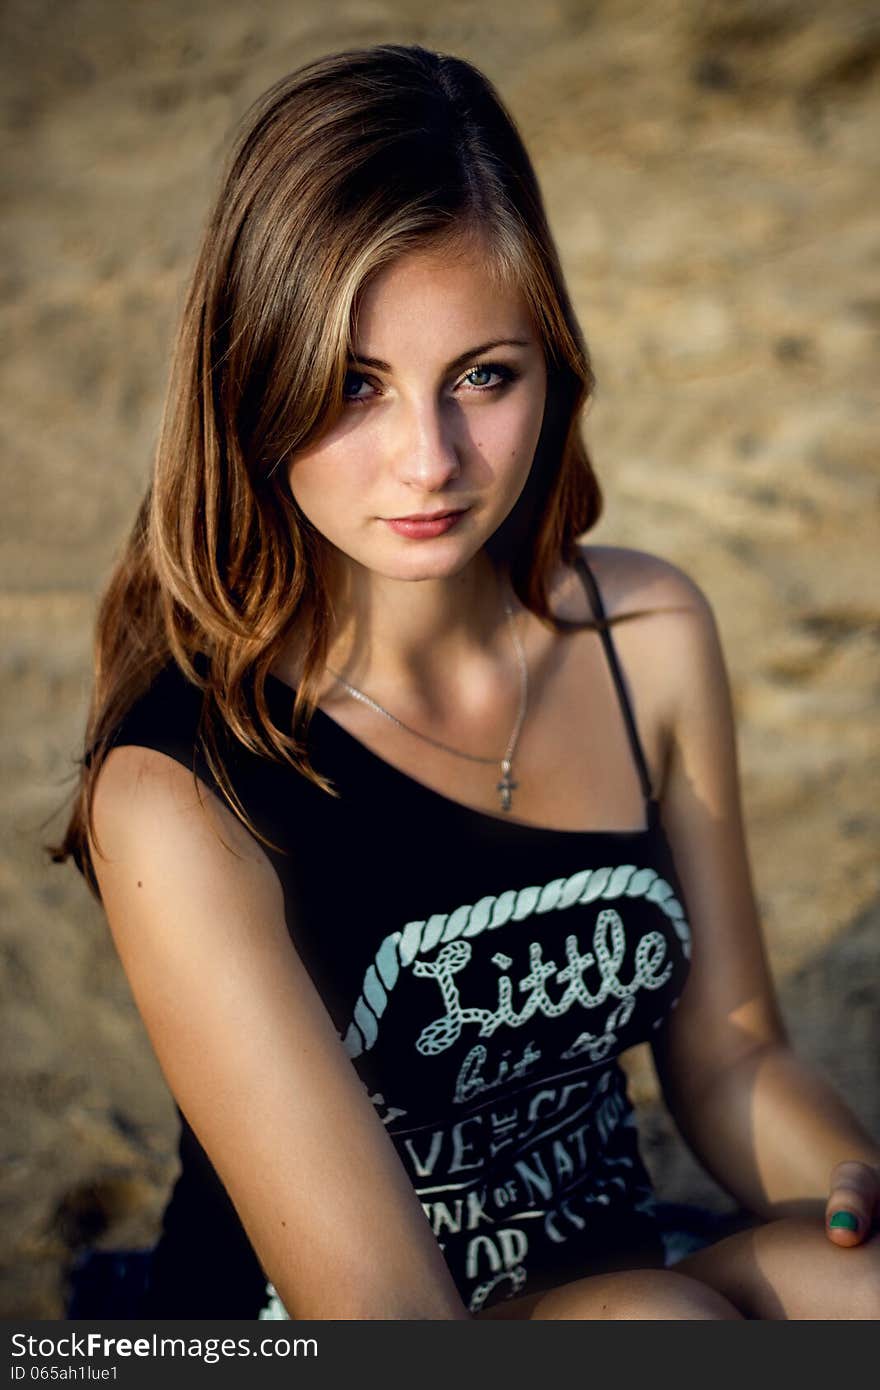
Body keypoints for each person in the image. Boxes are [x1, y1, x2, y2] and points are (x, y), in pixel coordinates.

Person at [50, 43, 879, 1321]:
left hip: (619, 1269)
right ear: (251, 378)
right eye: (353, 387)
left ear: (551, 365)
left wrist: (843, 1181)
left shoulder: (644, 633)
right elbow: (382, 1315)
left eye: (482, 376)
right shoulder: (178, 788)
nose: (427, 461)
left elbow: (727, 1050)